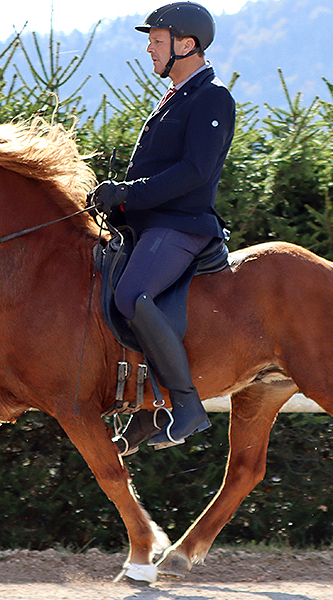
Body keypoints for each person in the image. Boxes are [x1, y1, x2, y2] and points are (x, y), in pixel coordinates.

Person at [91, 1, 236, 455]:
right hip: (151, 224)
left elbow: (194, 170)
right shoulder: (175, 96)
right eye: (151, 43)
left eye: (156, 42)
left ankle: (187, 407)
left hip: (183, 226)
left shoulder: (212, 97)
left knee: (133, 295)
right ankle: (146, 407)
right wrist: (117, 204)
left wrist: (129, 194)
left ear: (185, 44)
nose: (149, 51)